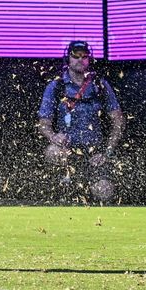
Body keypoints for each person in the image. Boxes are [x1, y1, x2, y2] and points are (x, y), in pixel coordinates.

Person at [38, 41, 124, 203]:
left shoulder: (100, 85)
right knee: (53, 151)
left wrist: (106, 152)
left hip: (95, 152)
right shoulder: (56, 86)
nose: (80, 59)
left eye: (84, 56)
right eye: (75, 56)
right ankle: (60, 184)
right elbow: (44, 123)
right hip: (67, 150)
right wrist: (53, 136)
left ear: (89, 60)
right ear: (68, 59)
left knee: (104, 191)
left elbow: (118, 120)